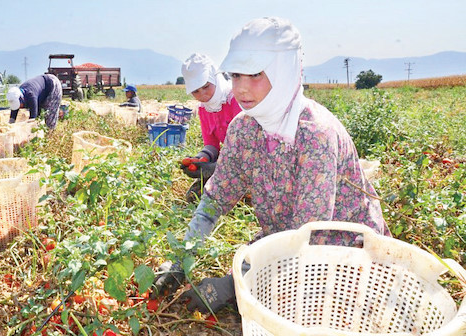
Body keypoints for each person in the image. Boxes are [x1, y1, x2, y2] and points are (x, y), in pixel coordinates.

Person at [152, 17, 391, 314]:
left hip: (344, 253)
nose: (240, 88)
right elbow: (216, 199)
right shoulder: (244, 128)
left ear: (284, 71)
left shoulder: (315, 134)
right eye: (236, 75)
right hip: (283, 240)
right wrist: (180, 260)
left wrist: (234, 284)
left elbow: (307, 237)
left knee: (298, 309)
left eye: (254, 75)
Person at [179, 53, 242, 202]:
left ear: (215, 78)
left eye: (206, 87)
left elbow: (246, 148)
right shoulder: (203, 109)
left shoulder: (236, 100)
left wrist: (217, 168)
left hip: (250, 162)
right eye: (196, 91)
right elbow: (212, 145)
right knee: (194, 197)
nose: (202, 94)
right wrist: (201, 159)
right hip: (228, 164)